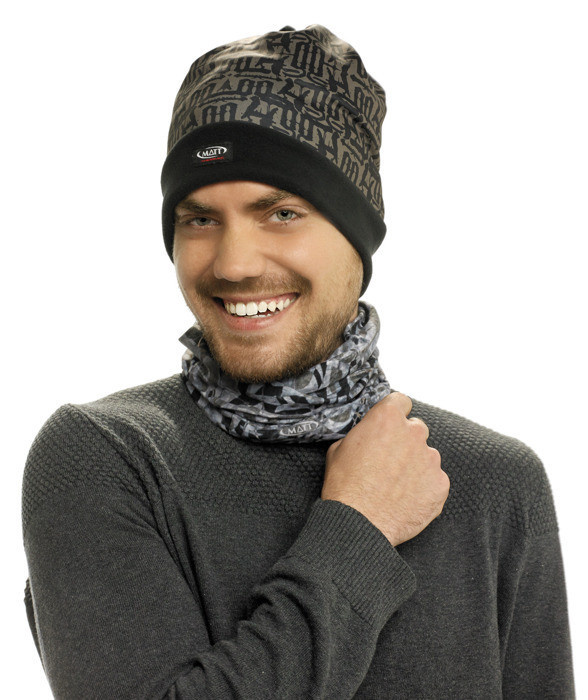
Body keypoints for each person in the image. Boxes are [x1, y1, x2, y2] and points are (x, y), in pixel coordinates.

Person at [22, 24, 574, 699]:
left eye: (281, 213)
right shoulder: (106, 459)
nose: (233, 264)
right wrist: (360, 527)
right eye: (200, 219)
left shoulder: (495, 482)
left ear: (357, 236)